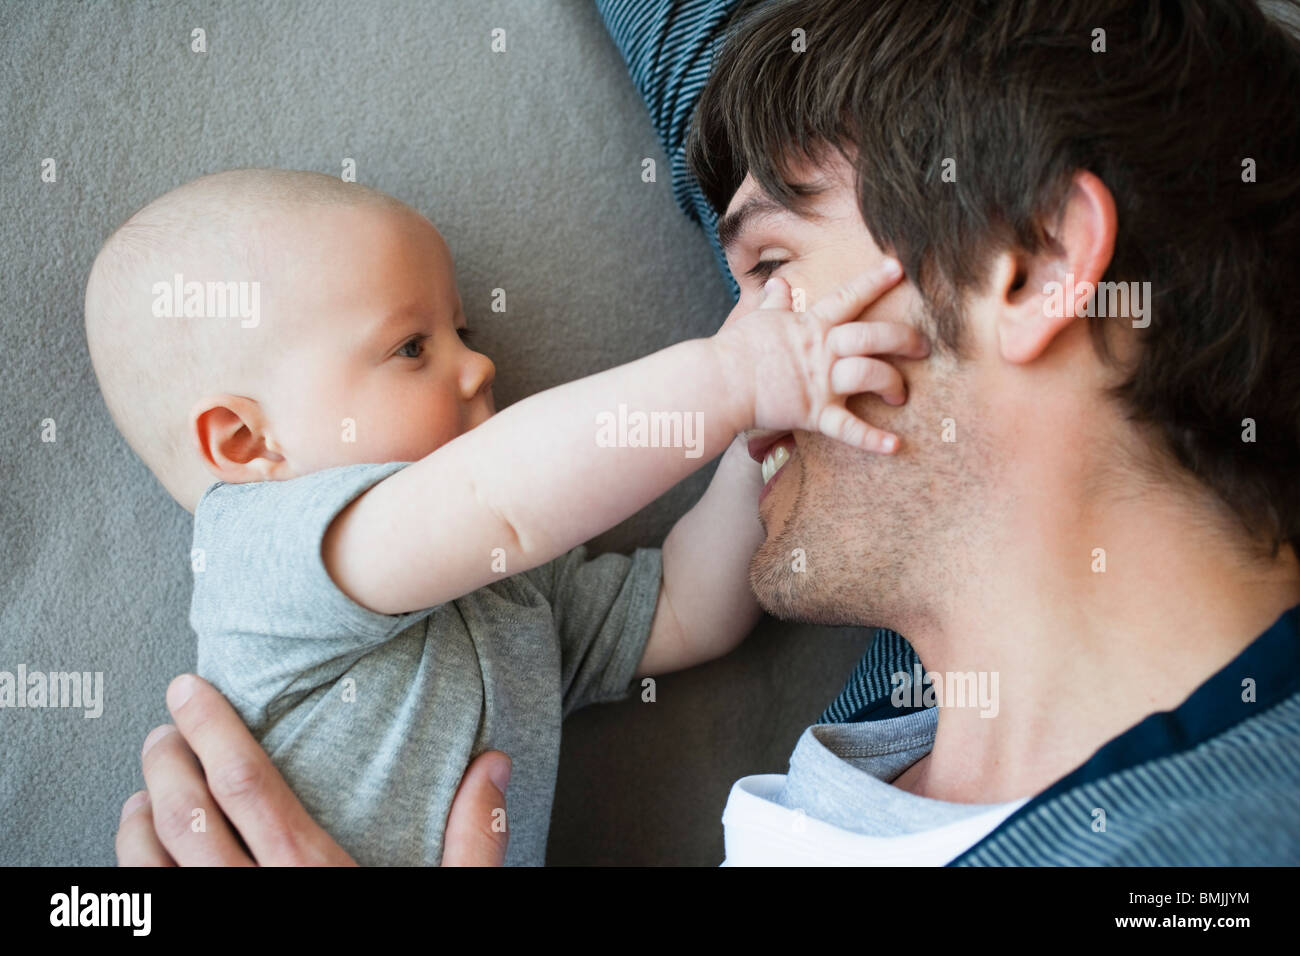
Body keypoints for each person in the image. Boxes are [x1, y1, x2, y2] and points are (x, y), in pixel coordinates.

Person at [118, 0, 1300, 865]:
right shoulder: (278, 549)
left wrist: (733, 412)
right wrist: (738, 391)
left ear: (1029, 264)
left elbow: (673, 595)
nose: (744, 328)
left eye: (774, 267)